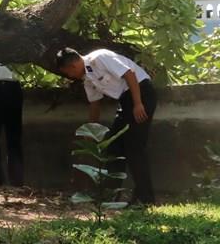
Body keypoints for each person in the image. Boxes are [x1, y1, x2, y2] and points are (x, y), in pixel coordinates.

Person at [56, 48, 157, 205]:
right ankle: (110, 195)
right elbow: (94, 104)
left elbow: (129, 74)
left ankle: (145, 199)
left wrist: (138, 104)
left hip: (141, 92)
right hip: (125, 101)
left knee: (135, 147)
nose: (70, 76)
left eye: (68, 72)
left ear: (72, 66)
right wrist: (91, 130)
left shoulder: (100, 58)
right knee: (114, 147)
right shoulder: (87, 79)